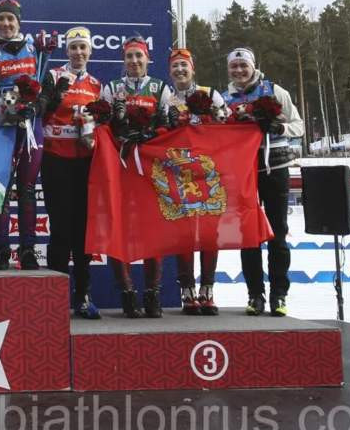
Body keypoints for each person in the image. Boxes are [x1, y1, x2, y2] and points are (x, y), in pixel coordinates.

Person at [223, 47, 304, 317]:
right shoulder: (224, 98)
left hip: (275, 167)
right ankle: (255, 294)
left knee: (277, 232)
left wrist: (279, 127)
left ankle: (279, 294)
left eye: (243, 65)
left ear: (253, 66)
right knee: (248, 234)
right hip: (243, 170)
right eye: (234, 66)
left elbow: (299, 126)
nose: (239, 70)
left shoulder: (274, 91)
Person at [0, 0, 53, 270]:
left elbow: (46, 87)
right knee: (2, 189)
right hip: (1, 125)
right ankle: (0, 250)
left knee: (28, 188)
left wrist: (38, 105)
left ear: (19, 22)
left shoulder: (34, 47)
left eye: (11, 19)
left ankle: (28, 249)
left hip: (30, 126)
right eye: (1, 19)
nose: (6, 23)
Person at [100, 35, 168, 317]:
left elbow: (168, 126)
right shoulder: (112, 87)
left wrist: (152, 135)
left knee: (153, 229)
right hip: (121, 164)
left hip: (150, 168)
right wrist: (116, 123)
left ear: (147, 59)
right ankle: (127, 293)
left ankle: (152, 293)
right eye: (129, 56)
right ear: (123, 59)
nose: (134, 61)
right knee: (119, 228)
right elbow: (102, 127)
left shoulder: (160, 87)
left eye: (139, 56)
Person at [158, 48, 228, 316]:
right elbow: (160, 132)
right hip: (179, 173)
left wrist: (211, 119)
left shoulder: (210, 94)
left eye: (184, 65)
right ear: (170, 71)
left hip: (209, 173)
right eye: (175, 66)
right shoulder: (166, 98)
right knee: (184, 233)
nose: (180, 70)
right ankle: (187, 291)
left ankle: (207, 289)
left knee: (210, 232)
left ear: (192, 68)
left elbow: (228, 125)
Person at [39, 26, 102, 318]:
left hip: (85, 162)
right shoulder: (53, 76)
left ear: (89, 51)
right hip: (55, 160)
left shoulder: (97, 85)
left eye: (82, 47)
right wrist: (55, 97)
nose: (78, 52)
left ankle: (83, 295)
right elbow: (41, 111)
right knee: (60, 228)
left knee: (83, 230)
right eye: (73, 47)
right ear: (67, 50)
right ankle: (56, 296)